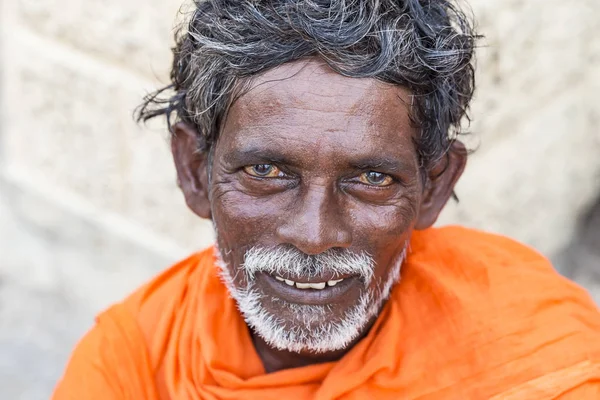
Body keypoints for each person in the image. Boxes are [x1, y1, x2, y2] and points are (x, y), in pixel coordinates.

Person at [53, 0, 600, 399]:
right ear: (194, 170)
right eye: (265, 171)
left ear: (433, 186)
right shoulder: (131, 365)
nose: (315, 236)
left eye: (370, 179)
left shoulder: (532, 347)